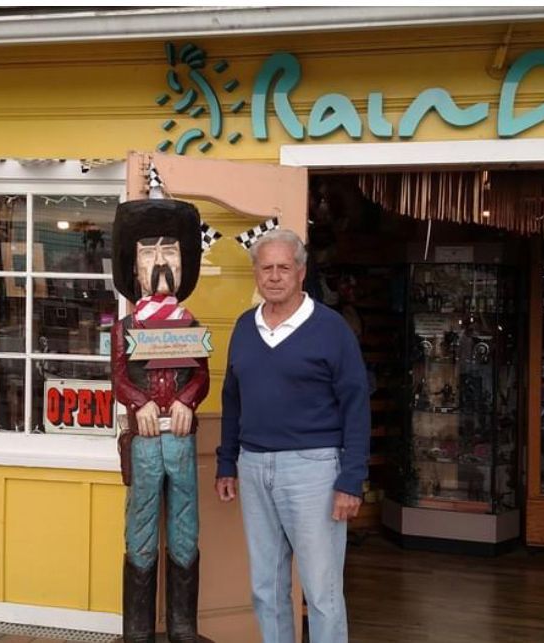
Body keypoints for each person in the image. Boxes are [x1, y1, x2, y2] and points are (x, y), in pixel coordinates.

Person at [215, 228, 371, 643]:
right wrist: (227, 462)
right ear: (255, 273)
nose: (274, 276)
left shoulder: (331, 329)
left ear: (301, 272)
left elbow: (357, 406)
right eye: (266, 267)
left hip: (314, 469)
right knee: (266, 588)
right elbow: (233, 400)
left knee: (322, 592)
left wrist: (351, 480)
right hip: (253, 466)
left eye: (284, 267)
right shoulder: (244, 327)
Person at [111, 199, 210, 643]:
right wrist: (139, 402)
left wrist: (187, 399)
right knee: (142, 527)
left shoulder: (190, 324)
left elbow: (201, 375)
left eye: (169, 251)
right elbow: (119, 376)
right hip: (147, 443)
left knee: (185, 529)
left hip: (181, 442)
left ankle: (182, 625)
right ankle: (138, 628)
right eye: (148, 253)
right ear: (134, 267)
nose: (160, 262)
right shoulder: (125, 327)